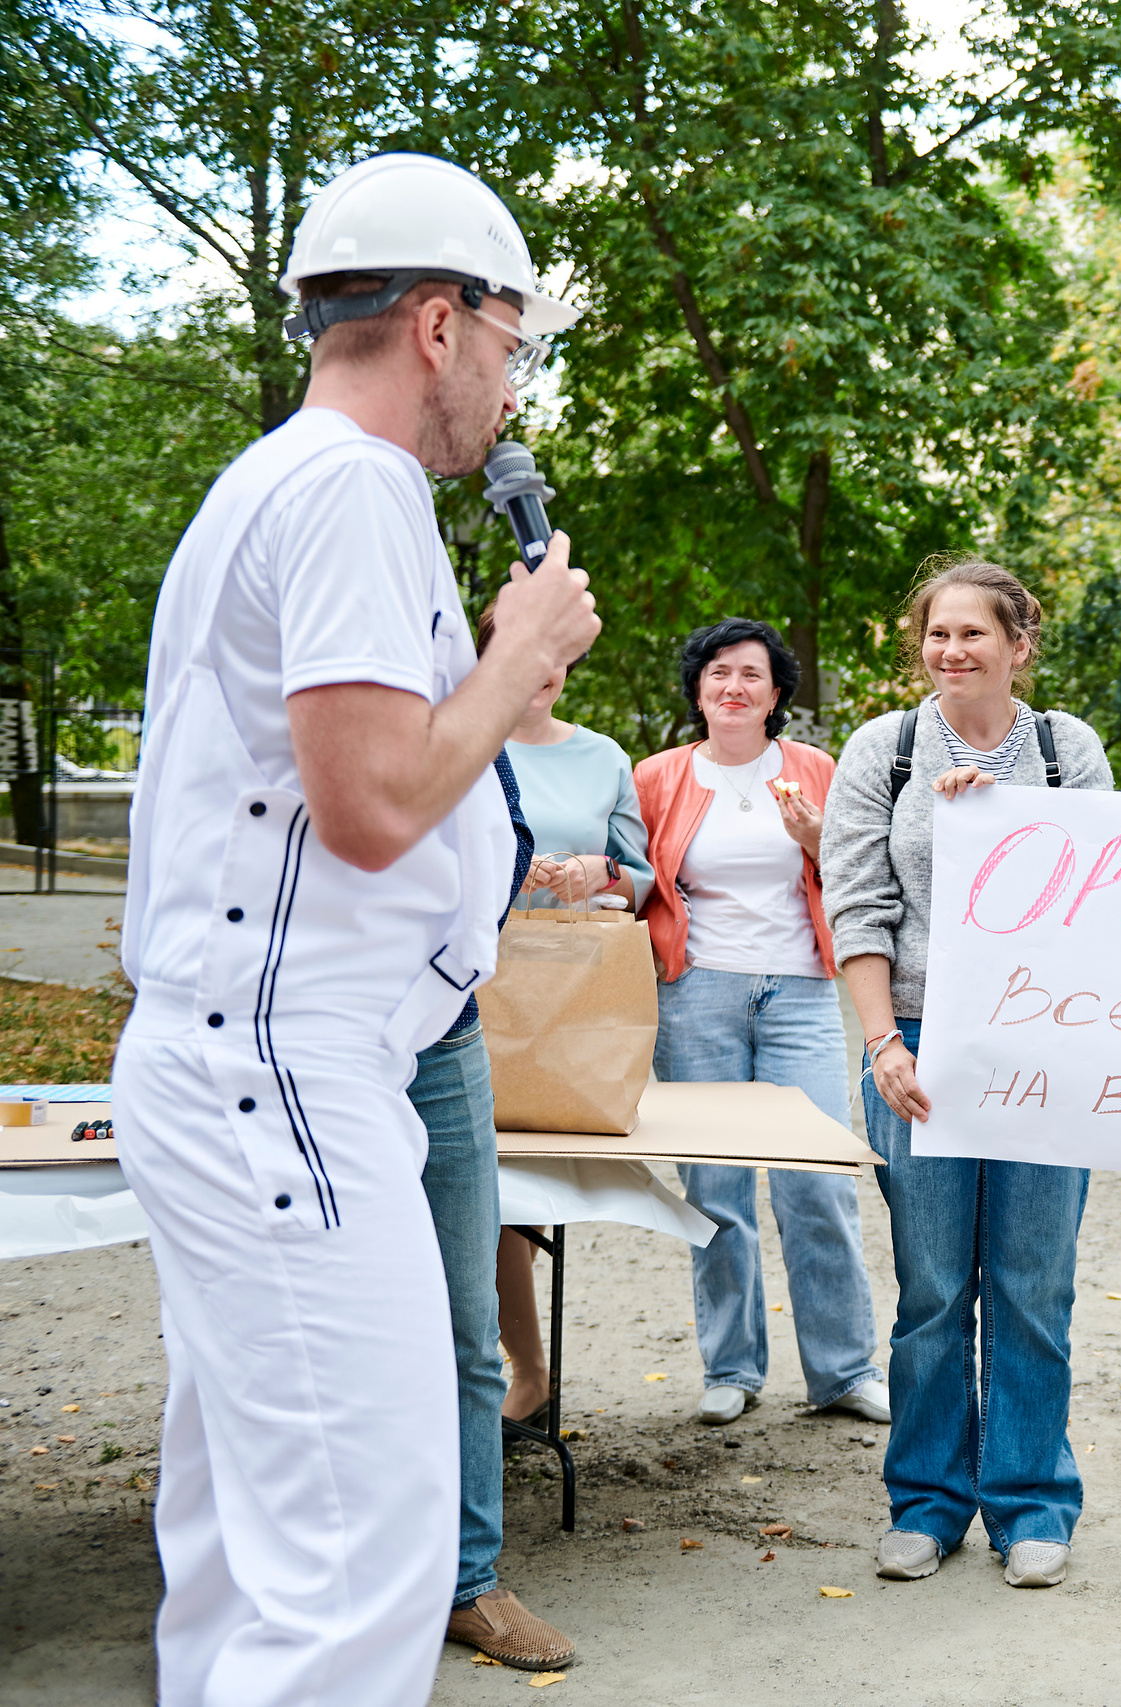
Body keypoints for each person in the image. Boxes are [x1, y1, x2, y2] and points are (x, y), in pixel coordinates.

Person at [111, 152, 595, 1705]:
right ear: (441, 324)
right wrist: (515, 658)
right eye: (514, 345)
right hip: (281, 1070)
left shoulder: (286, 477)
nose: (511, 389)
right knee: (361, 1565)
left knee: (256, 1539)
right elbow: (375, 802)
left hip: (264, 1060)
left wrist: (487, 685)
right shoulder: (350, 485)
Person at [822, 558, 1115, 1589]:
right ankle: (929, 1501)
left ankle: (1032, 1503)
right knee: (935, 1288)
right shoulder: (884, 748)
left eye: (973, 634)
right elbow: (855, 906)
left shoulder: (1067, 750)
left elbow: (1100, 888)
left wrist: (1005, 821)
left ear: (1018, 644)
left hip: (1043, 1046)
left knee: (1033, 1286)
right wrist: (882, 1047)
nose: (951, 651)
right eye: (936, 633)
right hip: (916, 1038)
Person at [636, 618, 887, 1430]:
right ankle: (731, 1366)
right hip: (696, 990)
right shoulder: (659, 777)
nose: (734, 686)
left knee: (817, 1181)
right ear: (699, 690)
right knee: (715, 1187)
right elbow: (633, 880)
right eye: (718, 673)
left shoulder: (818, 769)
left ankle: (845, 1370)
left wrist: (816, 836)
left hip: (802, 992)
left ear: (777, 693)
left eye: (752, 674)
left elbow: (864, 870)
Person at [410, 752, 581, 1672]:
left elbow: (504, 834)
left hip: (444, 1032)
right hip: (308, 1028)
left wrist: (447, 951)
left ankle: (469, 1581)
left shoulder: (458, 680)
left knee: (470, 1326)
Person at [482, 610, 655, 1428]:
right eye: (526, 649)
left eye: (557, 653)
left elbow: (645, 881)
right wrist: (501, 877)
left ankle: (517, 1373)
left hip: (572, 1002)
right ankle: (523, 1369)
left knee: (515, 1186)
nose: (544, 666)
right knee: (482, 1187)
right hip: (471, 992)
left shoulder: (603, 757)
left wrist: (598, 869)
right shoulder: (458, 741)